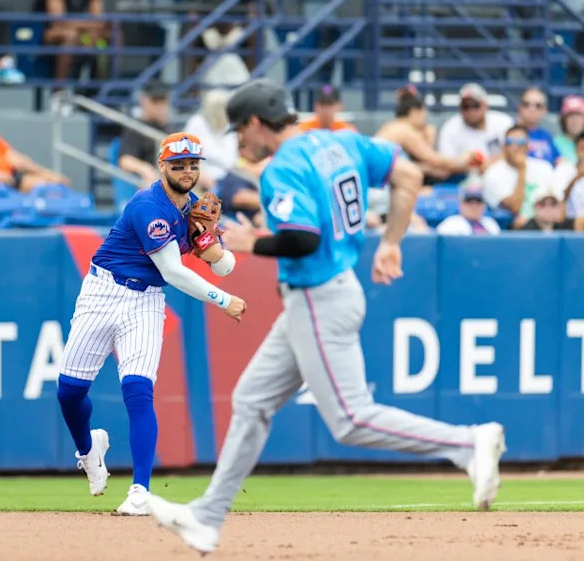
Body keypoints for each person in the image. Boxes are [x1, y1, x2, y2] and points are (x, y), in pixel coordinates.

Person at [146, 79, 506, 554]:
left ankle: (467, 443)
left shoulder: (283, 168)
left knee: (350, 418)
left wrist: (248, 243)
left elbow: (303, 238)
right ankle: (208, 517)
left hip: (318, 295)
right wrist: (391, 243)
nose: (240, 141)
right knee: (252, 399)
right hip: (328, 291)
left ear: (256, 123)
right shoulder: (343, 140)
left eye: (241, 130)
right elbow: (410, 178)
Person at [56, 132, 247, 517]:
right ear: (163, 166)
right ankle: (88, 450)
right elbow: (173, 271)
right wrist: (223, 300)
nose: (187, 171)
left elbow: (226, 266)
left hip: (144, 302)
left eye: (193, 164)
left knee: (138, 391)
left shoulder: (194, 207)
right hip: (102, 291)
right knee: (69, 393)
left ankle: (140, 490)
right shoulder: (148, 205)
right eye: (179, 164)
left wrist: (212, 246)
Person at [35, 0, 107, 91]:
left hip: (82, 35)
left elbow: (98, 21)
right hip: (48, 35)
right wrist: (86, 25)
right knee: (70, 37)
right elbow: (58, 22)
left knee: (106, 38)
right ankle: (59, 92)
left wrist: (89, 28)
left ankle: (97, 93)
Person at [376, 87, 477, 183]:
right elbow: (434, 160)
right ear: (415, 112)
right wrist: (462, 160)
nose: (425, 121)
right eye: (424, 114)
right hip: (380, 180)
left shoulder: (393, 126)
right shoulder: (404, 130)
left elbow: (421, 163)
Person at [482, 125, 555, 228]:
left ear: (528, 146)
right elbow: (515, 208)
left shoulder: (544, 167)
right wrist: (522, 170)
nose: (516, 146)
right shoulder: (493, 173)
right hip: (515, 228)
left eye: (521, 142)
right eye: (511, 142)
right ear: (504, 147)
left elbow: (557, 203)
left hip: (547, 222)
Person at [437, 83, 514, 168]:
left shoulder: (503, 122)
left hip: (499, 173)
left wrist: (490, 163)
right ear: (460, 108)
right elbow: (445, 163)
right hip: (461, 177)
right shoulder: (450, 128)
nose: (471, 110)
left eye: (475, 105)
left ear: (485, 105)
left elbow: (517, 150)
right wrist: (463, 163)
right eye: (466, 106)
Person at [118, 81, 172, 186]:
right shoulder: (135, 128)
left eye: (163, 101)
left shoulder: (169, 129)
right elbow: (125, 161)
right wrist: (145, 169)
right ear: (144, 101)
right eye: (155, 101)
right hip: (149, 182)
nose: (160, 106)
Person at [183, 89, 238, 186]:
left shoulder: (229, 126)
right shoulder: (196, 123)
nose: (220, 113)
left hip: (230, 176)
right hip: (203, 180)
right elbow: (188, 160)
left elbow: (232, 160)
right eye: (217, 109)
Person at [518, 185, 584, 232]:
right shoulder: (526, 231)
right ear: (534, 207)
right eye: (542, 204)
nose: (548, 208)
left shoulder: (565, 227)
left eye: (553, 204)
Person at [435, 182, 501, 235]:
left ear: (484, 205)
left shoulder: (491, 223)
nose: (474, 206)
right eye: (469, 202)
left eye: (478, 202)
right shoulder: (451, 224)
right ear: (461, 205)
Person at [515, 87, 559, 166]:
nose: (532, 109)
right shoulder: (509, 132)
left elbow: (559, 160)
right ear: (519, 107)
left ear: (544, 110)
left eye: (538, 105)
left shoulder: (546, 135)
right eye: (526, 104)